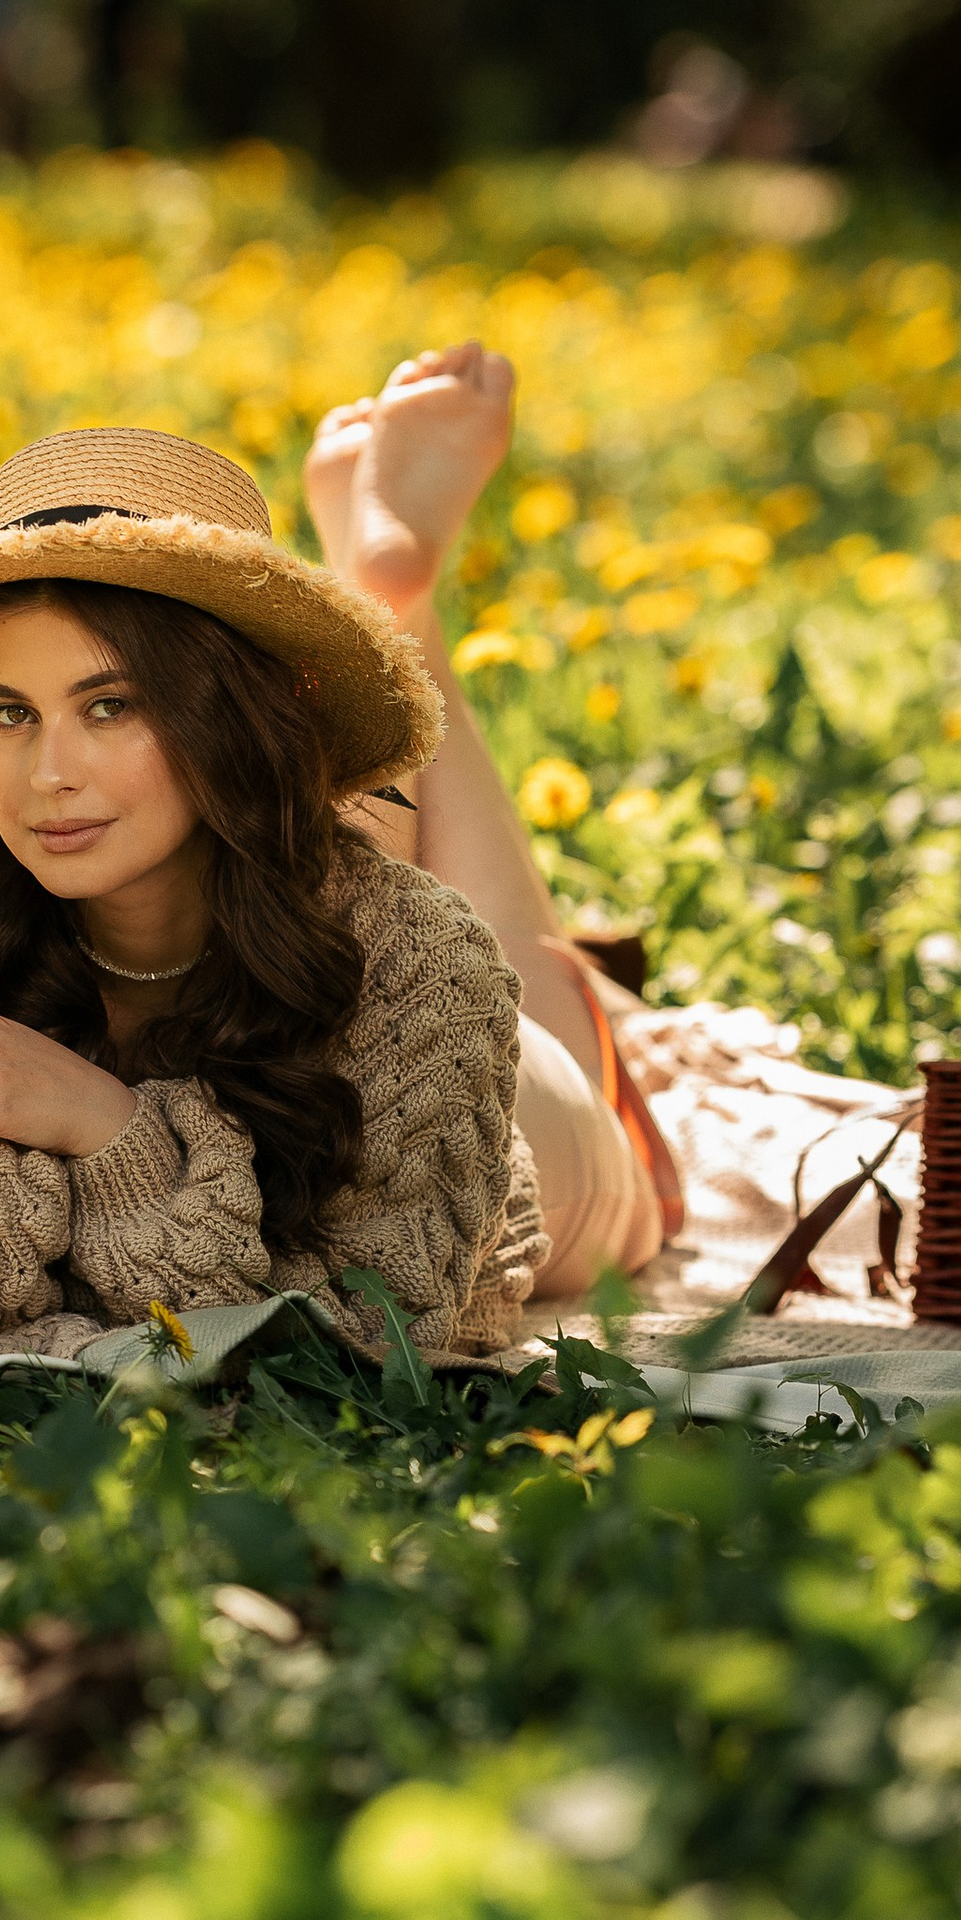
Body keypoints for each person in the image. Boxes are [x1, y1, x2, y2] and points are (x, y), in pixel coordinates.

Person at [0, 426, 551, 1368]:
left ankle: (401, 594)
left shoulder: (421, 961)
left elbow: (357, 1351)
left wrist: (102, 1122)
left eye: (111, 706)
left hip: (528, 1155)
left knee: (543, 986)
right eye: (10, 712)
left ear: (229, 714)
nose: (49, 774)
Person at [305, 342, 682, 1284]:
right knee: (619, 1153)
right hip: (471, 1145)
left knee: (474, 984)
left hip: (438, 1139)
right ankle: (387, 624)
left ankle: (389, 618)